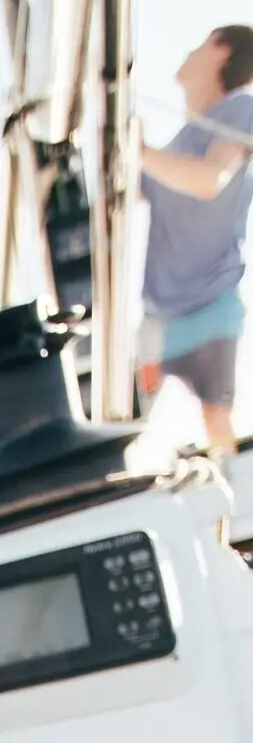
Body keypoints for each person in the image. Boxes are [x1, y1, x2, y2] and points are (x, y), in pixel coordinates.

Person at [139, 25, 253, 454]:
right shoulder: (179, 143)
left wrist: (140, 153)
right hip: (158, 320)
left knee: (217, 425)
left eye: (201, 43)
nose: (188, 50)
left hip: (209, 309)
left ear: (222, 50)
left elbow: (210, 180)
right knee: (117, 423)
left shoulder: (241, 108)